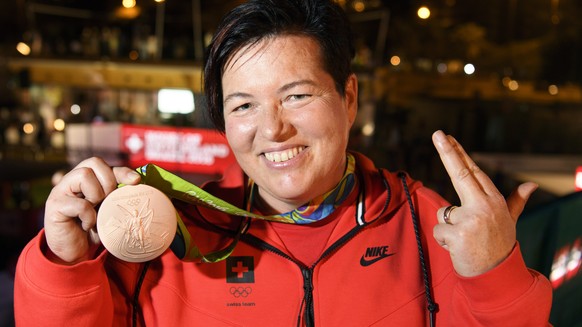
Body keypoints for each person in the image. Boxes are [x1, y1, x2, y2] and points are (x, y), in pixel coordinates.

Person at [14, 0, 552, 326]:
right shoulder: (172, 240)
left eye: (297, 96)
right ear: (223, 123)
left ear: (350, 99)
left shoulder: (428, 229)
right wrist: (63, 269)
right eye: (243, 105)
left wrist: (494, 279)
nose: (272, 129)